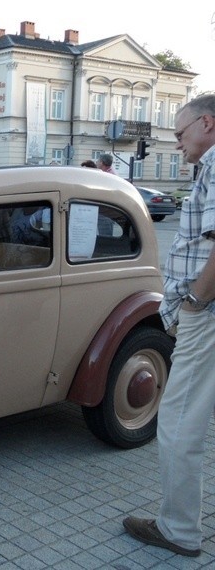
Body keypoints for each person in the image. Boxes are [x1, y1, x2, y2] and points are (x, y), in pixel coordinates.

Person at [123, 94, 215, 558]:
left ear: (207, 123)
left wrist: (197, 300)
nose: (177, 144)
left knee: (177, 422)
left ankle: (178, 529)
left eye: (180, 134)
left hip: (208, 313)